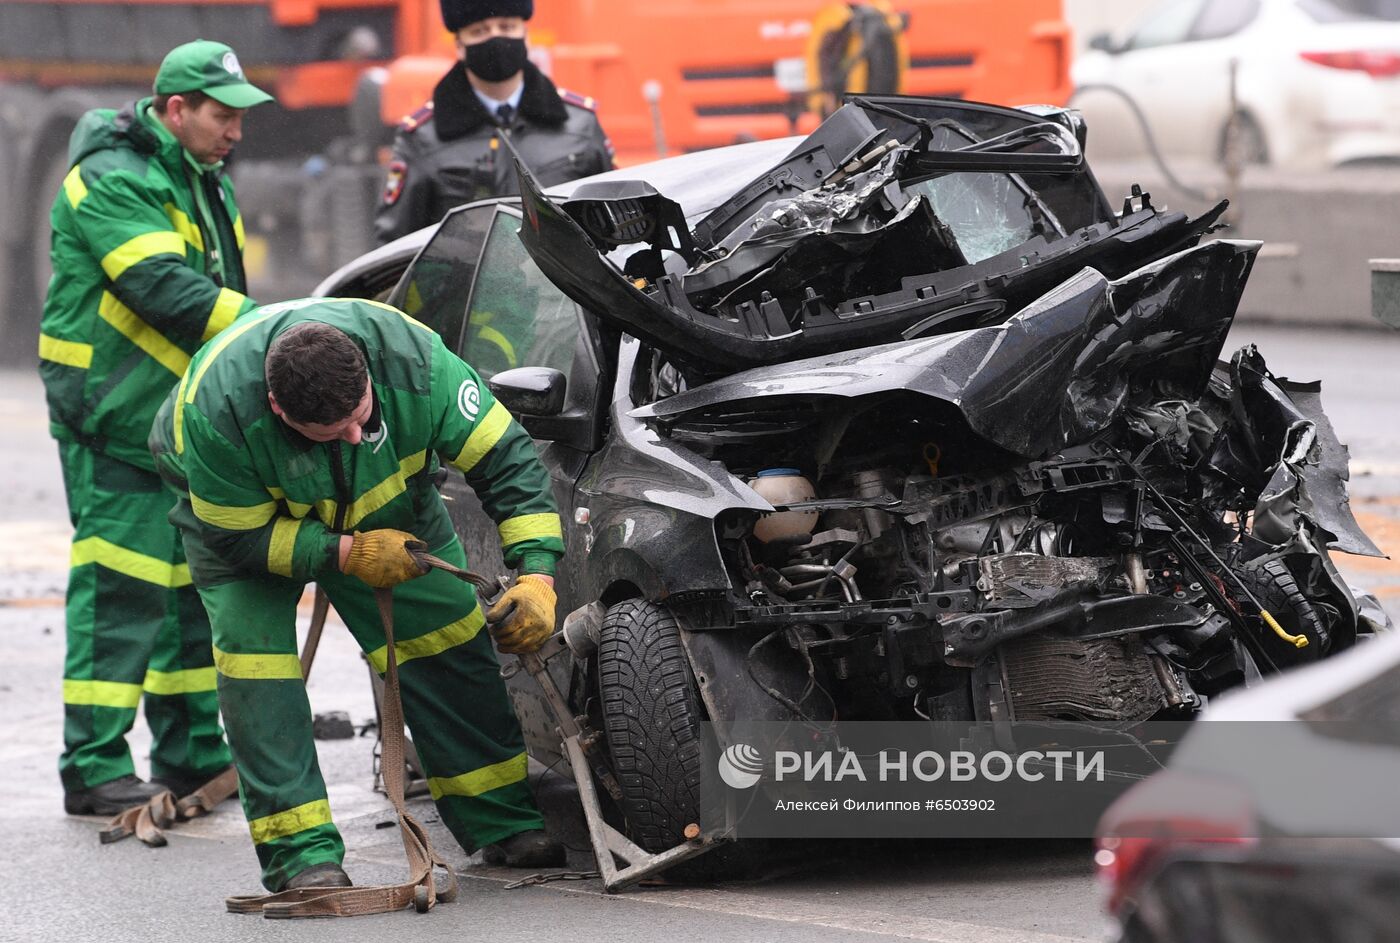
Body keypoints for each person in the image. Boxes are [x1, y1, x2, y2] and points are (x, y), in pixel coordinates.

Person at [148, 296, 567, 892]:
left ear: (369, 374)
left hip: (393, 504)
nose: (352, 437)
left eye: (361, 418)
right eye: (328, 433)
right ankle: (301, 856)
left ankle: (502, 819)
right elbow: (239, 540)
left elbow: (507, 461)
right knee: (256, 666)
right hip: (248, 527)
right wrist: (346, 554)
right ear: (276, 407)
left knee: (448, 635)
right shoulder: (216, 416)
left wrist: (537, 575)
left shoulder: (418, 366)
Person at [37, 39, 271, 815]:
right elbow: (163, 290)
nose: (235, 129)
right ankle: (95, 765)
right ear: (176, 110)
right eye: (221, 114)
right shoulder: (112, 178)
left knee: (184, 595)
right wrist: (273, 329)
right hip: (113, 416)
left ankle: (191, 752)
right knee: (121, 593)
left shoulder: (203, 180)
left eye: (241, 115)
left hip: (175, 423)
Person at [373, 0, 615, 244]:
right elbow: (395, 244)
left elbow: (615, 222)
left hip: (562, 282)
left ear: (525, 36)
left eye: (507, 27)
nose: (495, 38)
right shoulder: (424, 139)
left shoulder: (579, 125)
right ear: (459, 45)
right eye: (480, 31)